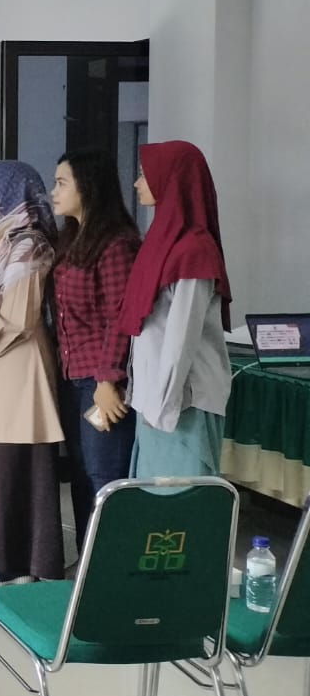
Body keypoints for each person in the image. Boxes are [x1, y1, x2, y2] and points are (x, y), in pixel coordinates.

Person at [0, 161, 66, 588]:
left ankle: (18, 560)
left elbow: (19, 315)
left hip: (19, 360)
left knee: (18, 460)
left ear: (3, 193)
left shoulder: (28, 244)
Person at [120, 140, 232, 478]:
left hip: (183, 403)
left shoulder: (194, 250)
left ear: (171, 178)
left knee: (183, 498)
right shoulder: (162, 241)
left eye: (145, 174)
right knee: (153, 497)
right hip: (155, 400)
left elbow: (181, 338)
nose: (137, 183)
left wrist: (162, 406)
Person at [51, 149, 140, 540]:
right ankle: (88, 560)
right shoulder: (71, 239)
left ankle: (111, 561)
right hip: (72, 376)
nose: (54, 192)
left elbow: (120, 319)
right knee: (82, 474)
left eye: (61, 183)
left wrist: (108, 379)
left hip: (101, 380)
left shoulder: (117, 245)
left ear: (87, 187)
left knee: (105, 475)